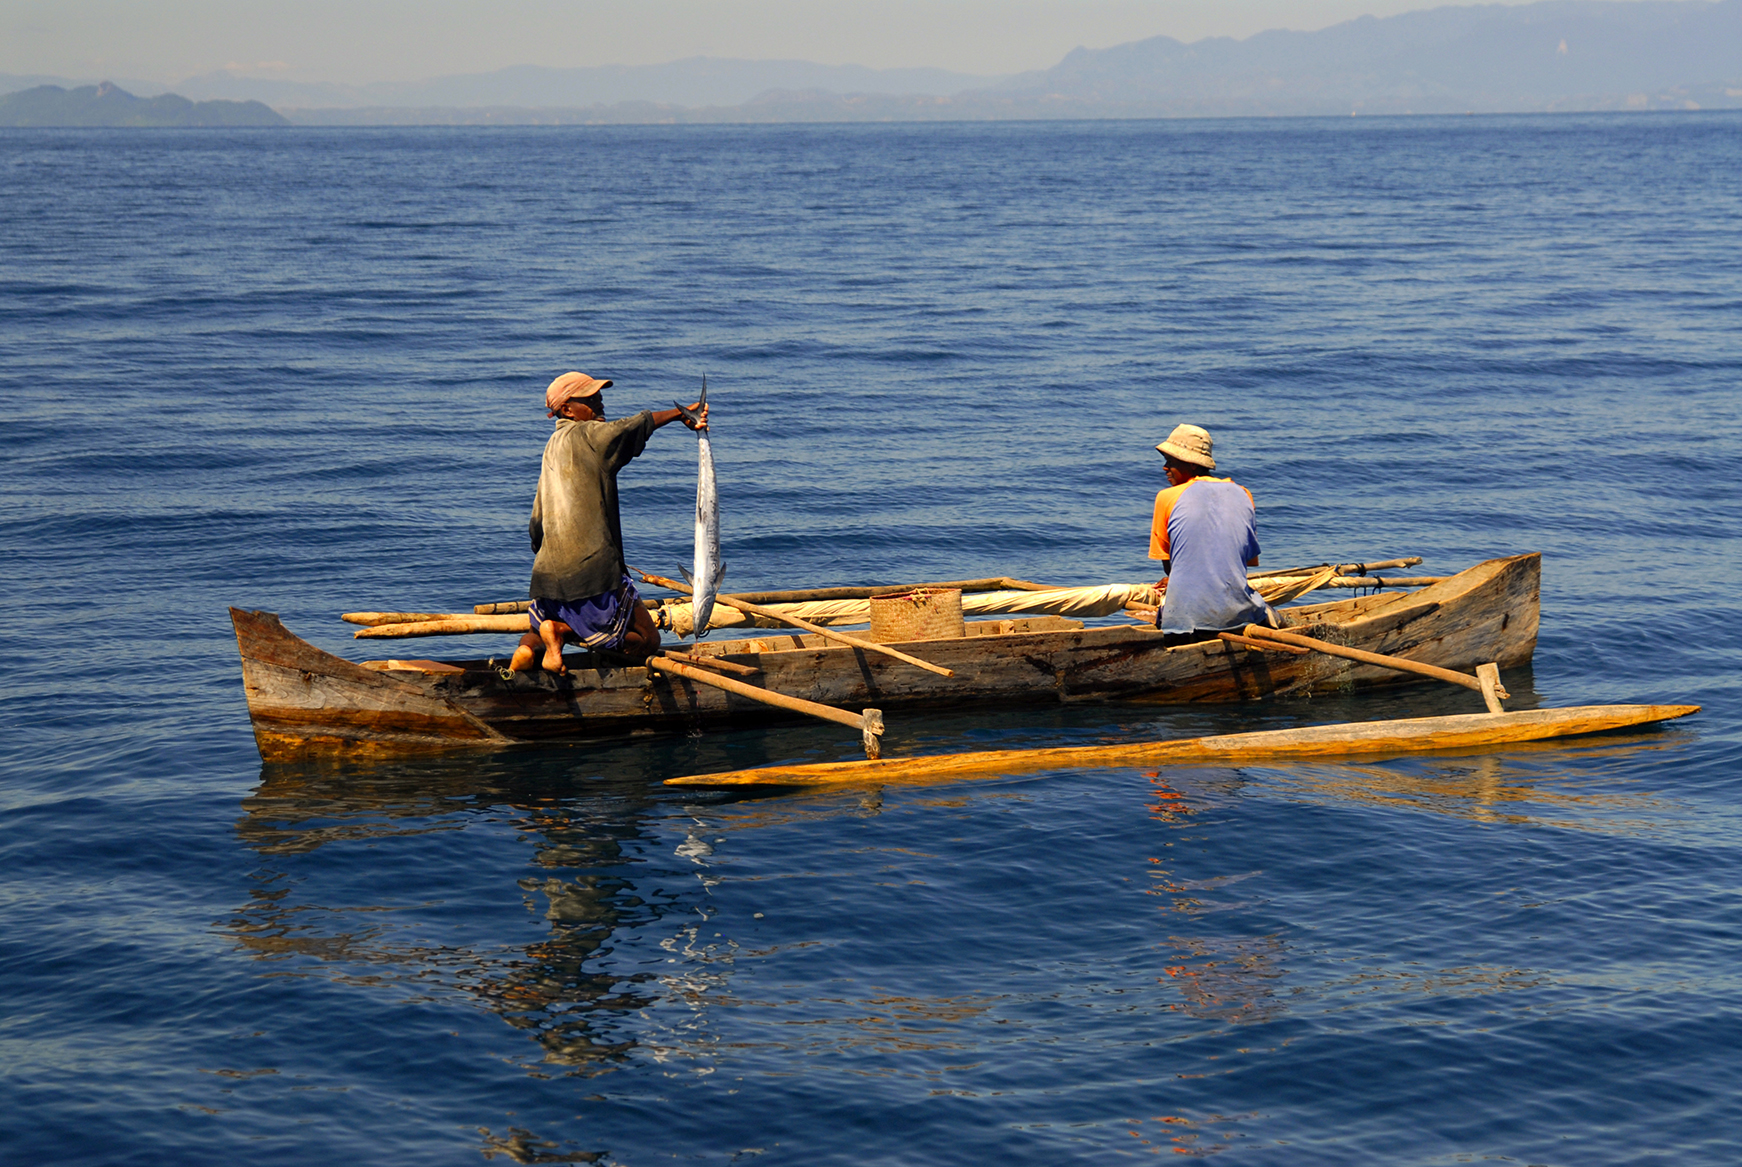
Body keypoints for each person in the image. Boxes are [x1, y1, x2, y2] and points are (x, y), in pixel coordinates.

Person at [509, 371, 707, 673]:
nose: (599, 403)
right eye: (590, 399)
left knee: (545, 626)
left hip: (546, 576)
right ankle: (560, 633)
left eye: (599, 397)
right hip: (591, 573)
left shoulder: (552, 445)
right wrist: (680, 414)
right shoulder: (588, 435)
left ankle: (532, 646)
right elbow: (629, 427)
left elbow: (536, 522)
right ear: (567, 409)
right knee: (647, 639)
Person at [1148, 423, 1278, 643]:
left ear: (1190, 463)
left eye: (1170, 461)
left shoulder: (1167, 497)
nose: (1164, 467)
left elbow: (1169, 565)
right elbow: (1242, 562)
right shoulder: (1243, 493)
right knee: (1273, 616)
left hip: (1183, 619)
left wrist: (1178, 578)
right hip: (1239, 614)